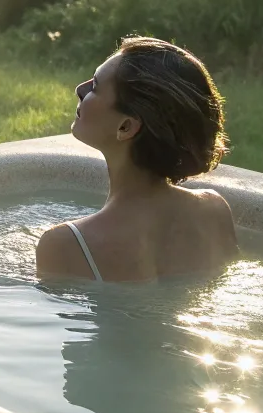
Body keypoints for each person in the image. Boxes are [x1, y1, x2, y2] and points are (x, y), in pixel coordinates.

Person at [37, 36, 239, 282]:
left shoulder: (66, 244)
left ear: (125, 127)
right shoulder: (214, 212)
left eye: (96, 86)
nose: (80, 89)